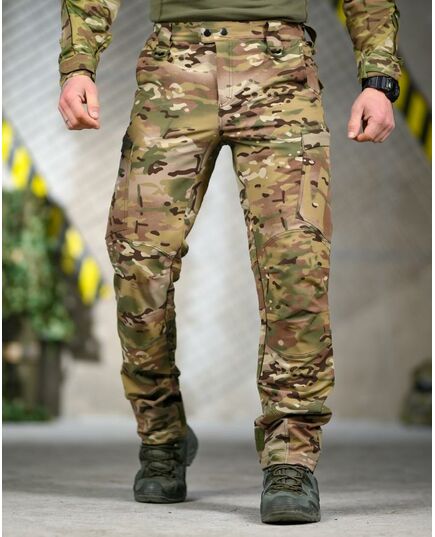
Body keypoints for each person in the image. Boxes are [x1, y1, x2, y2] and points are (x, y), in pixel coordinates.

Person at [57, 0, 403, 524]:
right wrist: (78, 65)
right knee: (139, 262)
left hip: (280, 67)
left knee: (296, 264)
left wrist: (378, 77)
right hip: (174, 65)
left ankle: (291, 456)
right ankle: (162, 434)